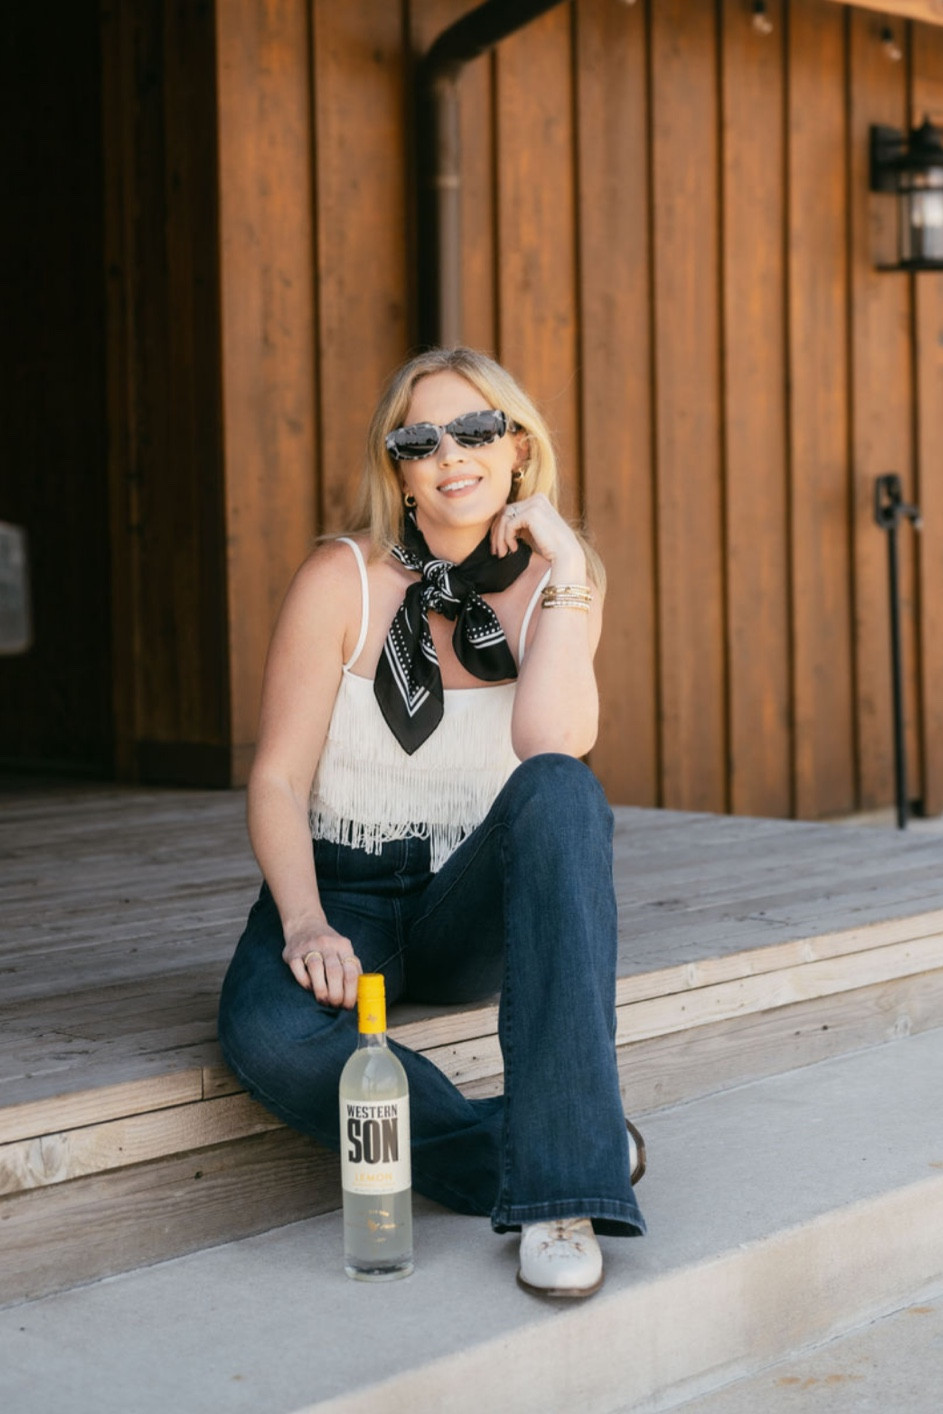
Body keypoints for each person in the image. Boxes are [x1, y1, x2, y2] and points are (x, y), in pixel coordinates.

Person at [218, 346, 646, 1298]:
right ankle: (560, 1152)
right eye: (420, 438)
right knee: (269, 1036)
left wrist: (568, 565)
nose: (451, 453)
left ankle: (557, 1208)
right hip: (346, 890)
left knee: (565, 791)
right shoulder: (344, 579)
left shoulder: (557, 585)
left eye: (476, 429)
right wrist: (303, 921)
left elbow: (550, 740)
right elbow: (279, 781)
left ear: (518, 448)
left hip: (468, 899)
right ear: (398, 469)